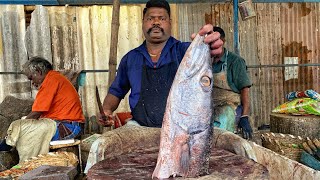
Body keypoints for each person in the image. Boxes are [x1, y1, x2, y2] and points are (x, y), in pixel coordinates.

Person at [99, 0, 223, 128]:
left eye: (162, 18)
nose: (156, 22)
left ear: (170, 22)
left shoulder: (185, 52)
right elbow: (116, 91)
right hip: (140, 128)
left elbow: (207, 57)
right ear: (143, 22)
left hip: (181, 128)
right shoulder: (130, 59)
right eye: (150, 18)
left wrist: (210, 47)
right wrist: (107, 110)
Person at [0, 57, 85, 162]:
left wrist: (21, 126)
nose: (32, 82)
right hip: (65, 125)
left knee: (19, 125)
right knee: (22, 124)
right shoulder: (54, 78)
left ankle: (9, 146)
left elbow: (36, 112)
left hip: (68, 128)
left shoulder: (51, 80)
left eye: (31, 78)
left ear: (38, 72)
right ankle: (10, 145)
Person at [211, 26, 253, 139]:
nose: (213, 45)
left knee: (223, 120)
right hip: (211, 105)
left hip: (231, 107)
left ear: (223, 41)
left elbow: (245, 90)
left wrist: (244, 116)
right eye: (210, 42)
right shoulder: (206, 61)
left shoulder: (235, 61)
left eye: (216, 42)